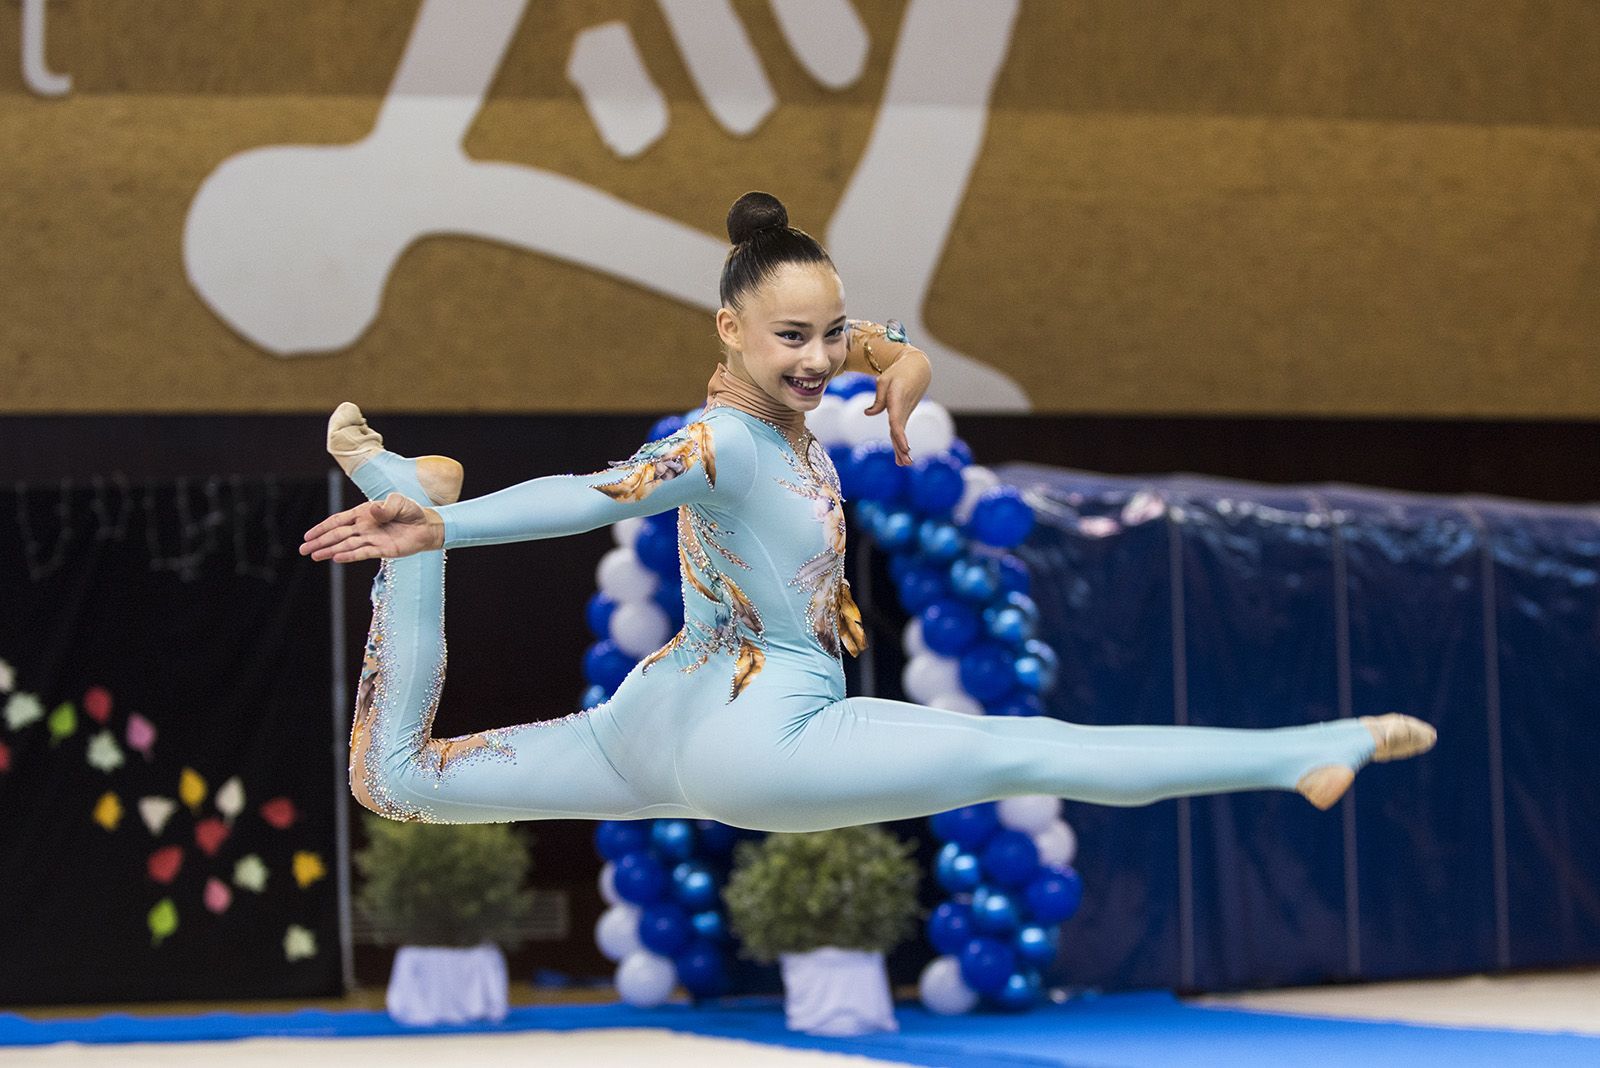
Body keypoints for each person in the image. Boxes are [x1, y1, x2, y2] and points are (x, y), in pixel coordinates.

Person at [300, 191, 1434, 830]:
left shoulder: (798, 387)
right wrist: (460, 528)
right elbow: (596, 495)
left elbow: (867, 340)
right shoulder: (717, 445)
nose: (818, 360)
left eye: (829, 335)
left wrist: (900, 354)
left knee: (390, 781)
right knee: (1027, 748)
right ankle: (1296, 753)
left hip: (653, 727)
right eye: (791, 339)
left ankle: (409, 487)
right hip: (764, 740)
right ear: (727, 333)